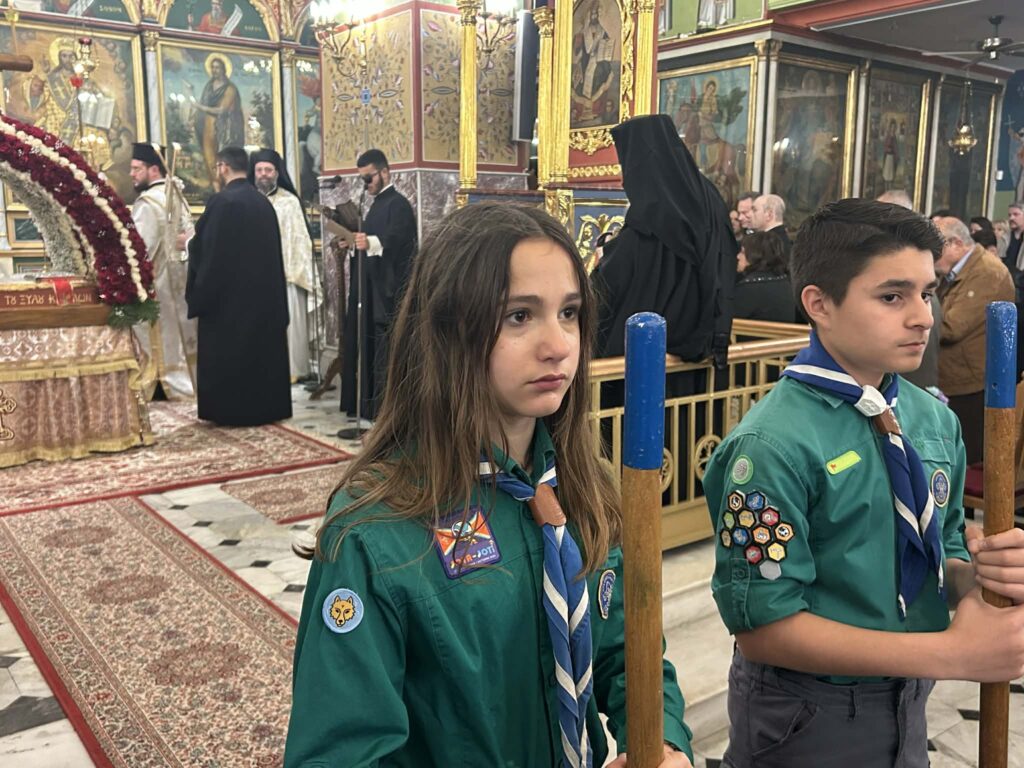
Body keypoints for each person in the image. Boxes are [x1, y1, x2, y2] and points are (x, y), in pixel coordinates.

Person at [285, 203, 694, 767]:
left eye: (569, 313)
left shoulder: (584, 488)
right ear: (449, 328)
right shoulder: (375, 534)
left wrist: (662, 742)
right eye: (519, 316)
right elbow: (340, 753)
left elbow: (628, 652)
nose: (559, 344)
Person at [704, 199, 1024, 768]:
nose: (923, 317)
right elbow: (765, 627)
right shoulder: (771, 447)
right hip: (807, 712)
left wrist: (979, 576)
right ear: (819, 304)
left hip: (908, 697)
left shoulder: (932, 420)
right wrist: (951, 653)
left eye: (927, 293)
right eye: (892, 297)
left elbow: (942, 546)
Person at [592, 114, 736, 365]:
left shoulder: (653, 210)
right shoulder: (706, 196)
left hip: (644, 360)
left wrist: (604, 257)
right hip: (700, 347)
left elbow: (609, 285)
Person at [185, 146, 291, 426]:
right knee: (260, 356)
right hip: (263, 301)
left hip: (229, 304)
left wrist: (187, 244)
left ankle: (233, 411)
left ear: (223, 167)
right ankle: (265, 409)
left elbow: (208, 251)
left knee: (233, 358)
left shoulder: (222, 202)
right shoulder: (263, 204)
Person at [340, 148, 417, 426]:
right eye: (362, 179)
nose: (366, 185)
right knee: (366, 345)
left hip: (387, 292)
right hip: (370, 289)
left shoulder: (398, 204)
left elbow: (397, 241)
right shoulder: (375, 205)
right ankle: (367, 405)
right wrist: (352, 242)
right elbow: (372, 240)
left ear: (385, 172)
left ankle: (383, 408)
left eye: (368, 178)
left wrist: (369, 242)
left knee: (384, 350)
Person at [934, 216, 1014, 464]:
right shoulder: (959, 270)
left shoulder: (987, 272)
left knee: (962, 461)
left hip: (970, 385)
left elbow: (951, 327)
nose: (931, 256)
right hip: (952, 378)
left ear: (956, 244)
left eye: (935, 249)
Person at [129, 142, 197, 400]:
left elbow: (139, 248)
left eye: (137, 168)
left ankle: (160, 380)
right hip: (181, 277)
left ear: (154, 169)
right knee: (180, 333)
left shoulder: (147, 203)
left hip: (158, 282)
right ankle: (185, 379)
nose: (132, 174)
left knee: (159, 331)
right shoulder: (176, 194)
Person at [249, 148, 317, 383]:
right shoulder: (248, 201)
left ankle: (293, 369)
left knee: (290, 323)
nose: (263, 174)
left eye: (268, 170)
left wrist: (294, 270)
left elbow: (299, 240)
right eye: (259, 170)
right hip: (254, 275)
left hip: (287, 273)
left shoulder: (289, 202)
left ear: (277, 173)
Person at [190, 54, 244, 193]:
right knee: (209, 154)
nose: (215, 70)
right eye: (213, 67)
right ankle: (215, 186)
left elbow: (222, 110)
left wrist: (200, 107)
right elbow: (204, 102)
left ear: (224, 69)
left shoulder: (230, 89)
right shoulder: (209, 86)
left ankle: (225, 186)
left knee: (222, 155)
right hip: (207, 125)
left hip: (223, 127)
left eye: (218, 67)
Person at [733, 232, 795, 323]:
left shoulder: (748, 289)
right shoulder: (786, 282)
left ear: (755, 255)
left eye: (742, 252)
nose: (738, 256)